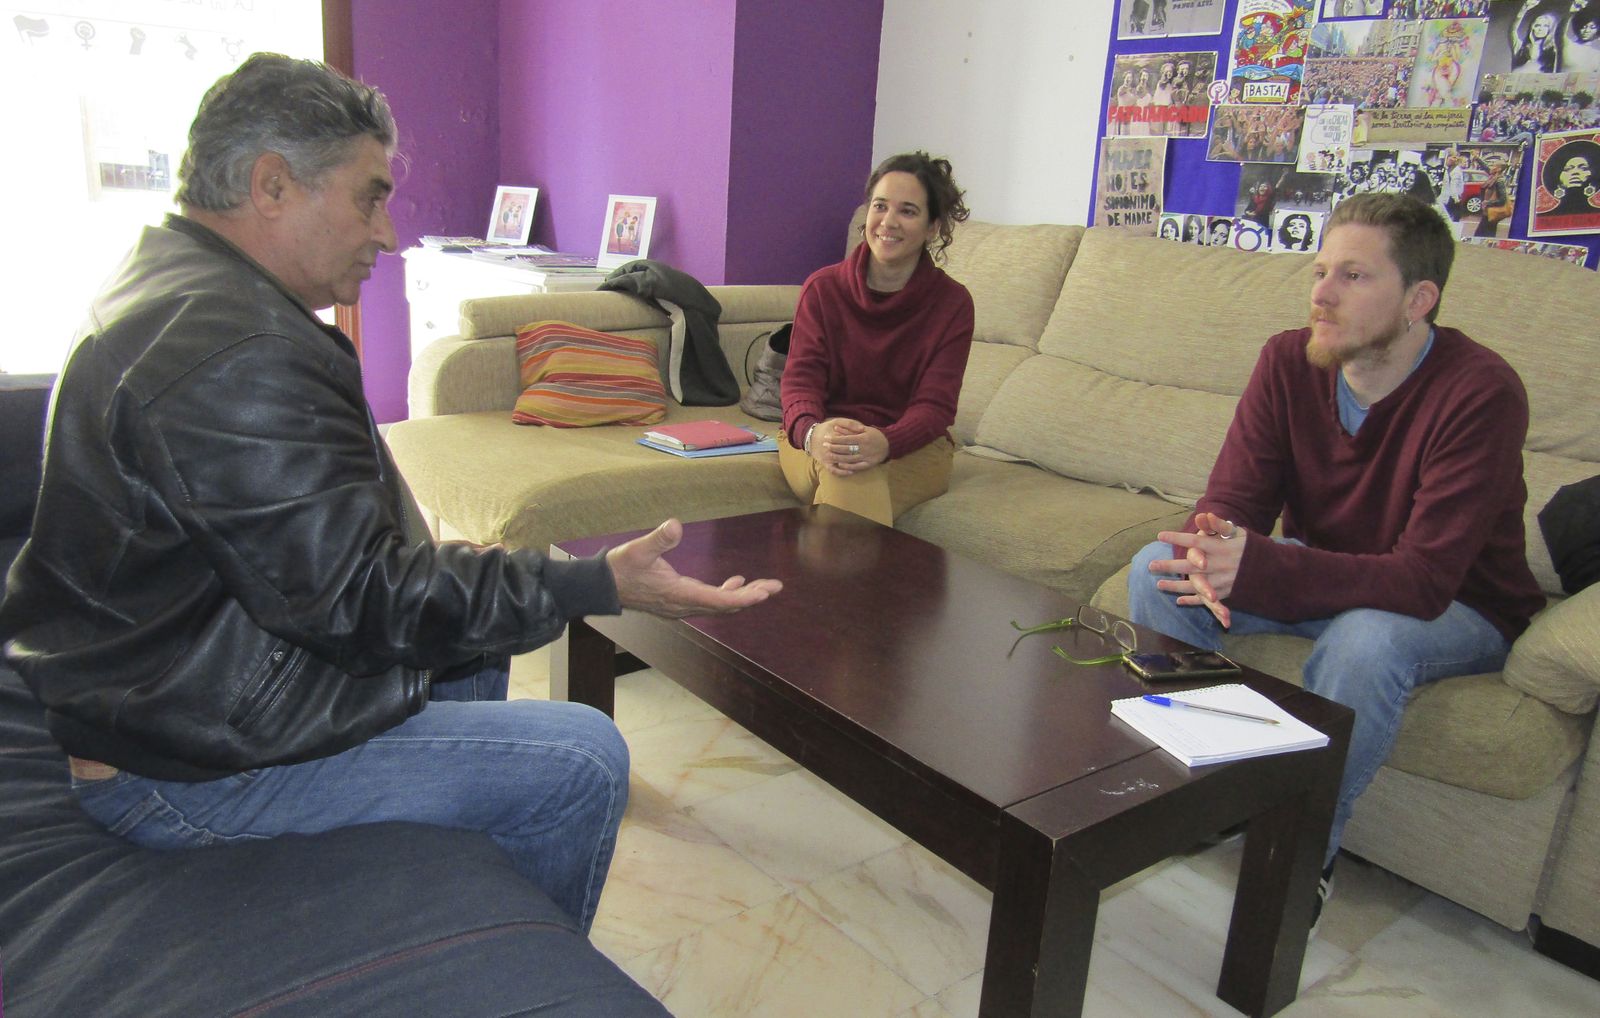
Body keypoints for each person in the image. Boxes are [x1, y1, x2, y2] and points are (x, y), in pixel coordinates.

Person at [0, 54, 781, 935]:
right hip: (182, 767)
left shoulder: (176, 284)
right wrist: (597, 584)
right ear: (272, 186)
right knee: (586, 758)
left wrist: (457, 577)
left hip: (183, 684)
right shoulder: (234, 350)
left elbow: (315, 556)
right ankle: (504, 968)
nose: (385, 230)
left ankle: (449, 896)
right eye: (369, 196)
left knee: (477, 651)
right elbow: (356, 604)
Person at [1126, 193, 1543, 929]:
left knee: (1367, 640)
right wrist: (1213, 543)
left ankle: (1302, 848)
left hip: (1459, 605)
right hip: (1330, 569)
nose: (1320, 294)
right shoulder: (1289, 360)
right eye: (1320, 271)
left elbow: (1421, 578)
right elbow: (1233, 501)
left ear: (1419, 299)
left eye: (1353, 277)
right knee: (1156, 574)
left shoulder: (1482, 392)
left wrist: (1256, 567)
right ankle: (1211, 790)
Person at [778, 151, 974, 528]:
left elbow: (936, 407)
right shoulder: (822, 289)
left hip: (913, 449)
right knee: (846, 467)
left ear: (933, 226)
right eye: (880, 206)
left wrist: (884, 441)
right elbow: (800, 383)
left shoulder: (952, 304)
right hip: (818, 436)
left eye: (908, 211)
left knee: (847, 480)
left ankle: (822, 584)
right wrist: (814, 433)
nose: (888, 222)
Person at [1541, 139, 1600, 218]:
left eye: (1583, 168)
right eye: (1567, 169)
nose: (1575, 172)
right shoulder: (1543, 217)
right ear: (1557, 176)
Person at [1473, 161, 1512, 237]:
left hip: (1491, 213)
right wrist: (1476, 158)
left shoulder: (1499, 181)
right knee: (1485, 234)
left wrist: (1487, 203)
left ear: (1498, 169)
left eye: (1493, 165)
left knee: (1482, 234)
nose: (1491, 167)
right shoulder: (1493, 177)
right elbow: (1486, 168)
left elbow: (1502, 200)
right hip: (1487, 213)